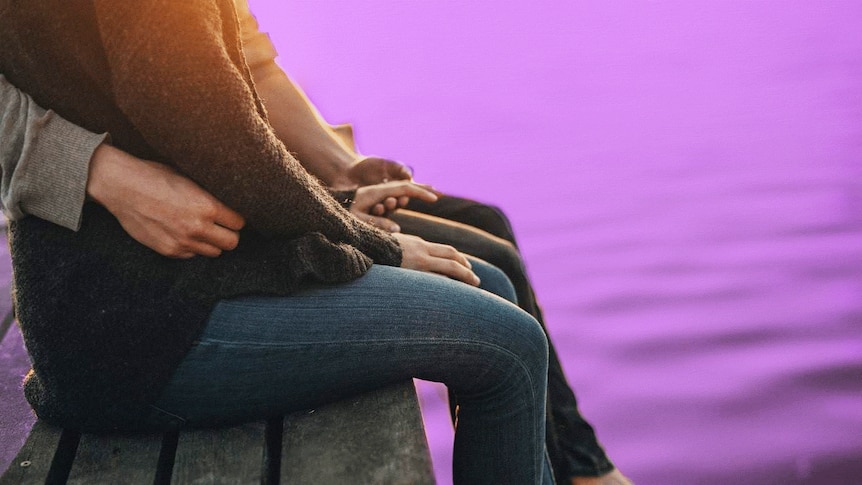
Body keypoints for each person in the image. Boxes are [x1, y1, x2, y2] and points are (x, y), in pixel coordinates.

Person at [1, 2, 632, 483]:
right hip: (130, 329)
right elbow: (213, 129)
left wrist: (336, 195)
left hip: (169, 284)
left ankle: (577, 466)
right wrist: (367, 241)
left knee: (488, 281)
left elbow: (225, 102)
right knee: (508, 340)